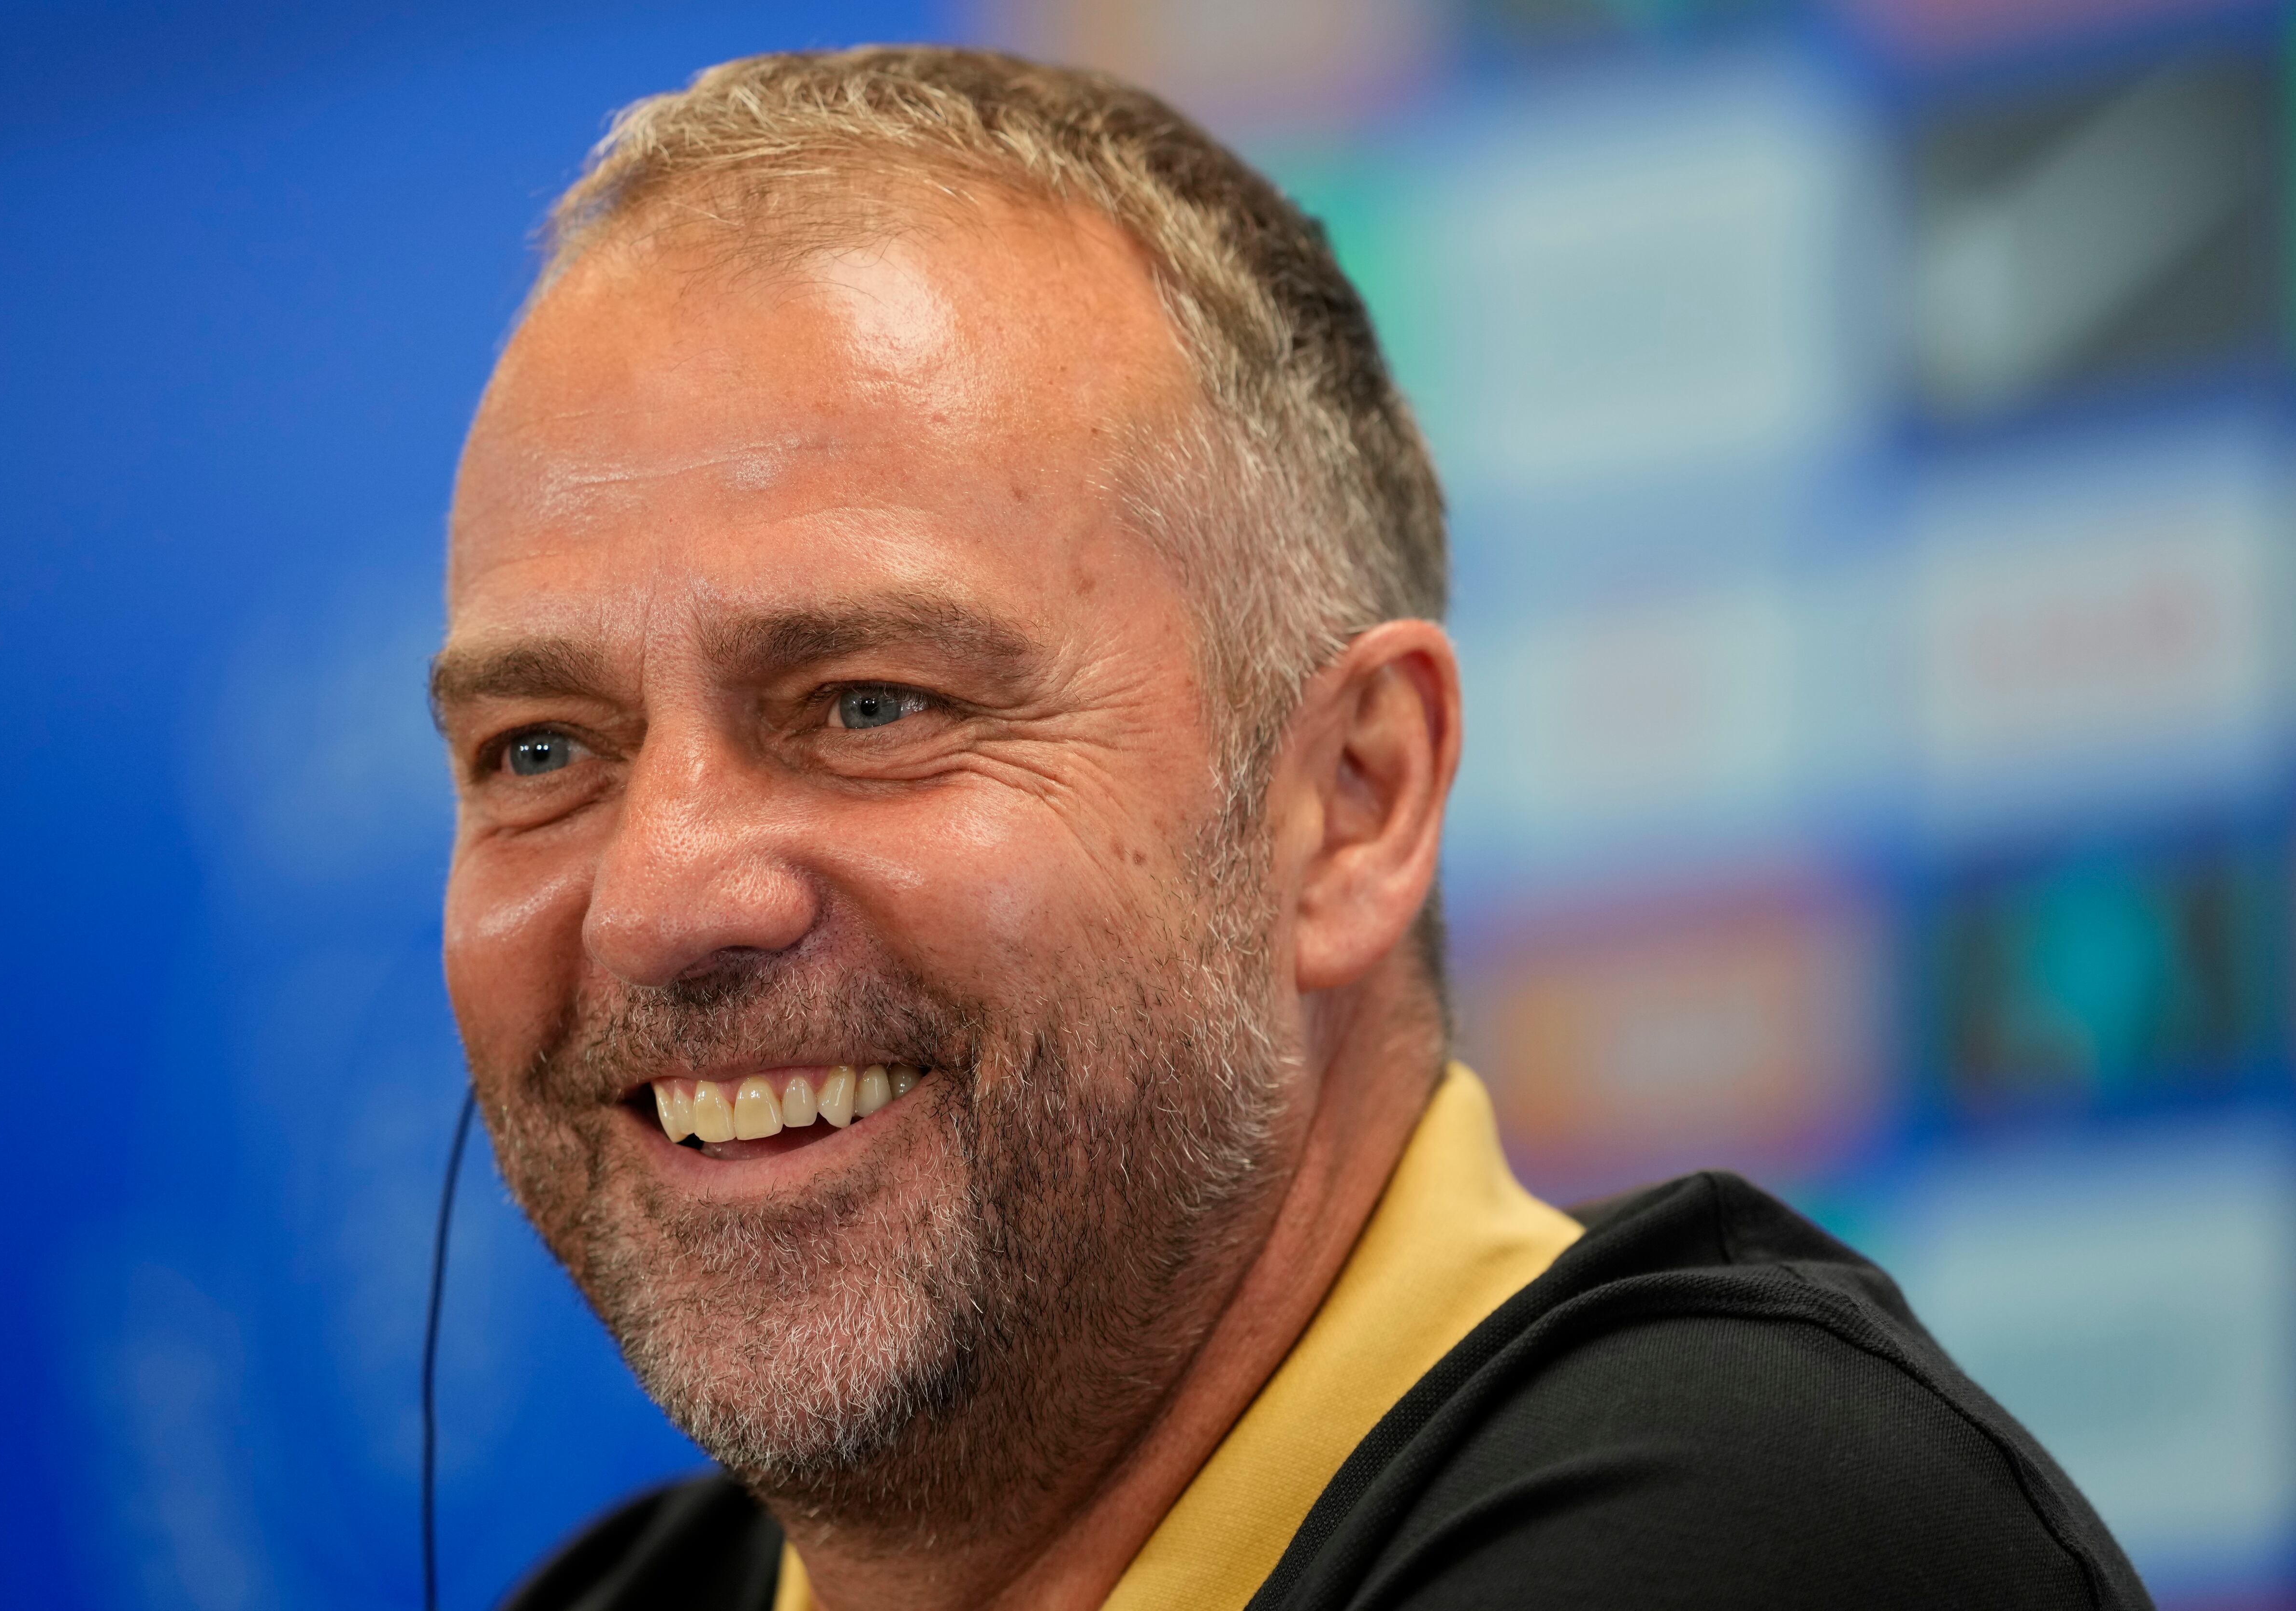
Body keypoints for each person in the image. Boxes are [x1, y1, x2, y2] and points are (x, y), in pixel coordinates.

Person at [431, 44, 2152, 1611]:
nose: (657, 901)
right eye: (538, 750)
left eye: (871, 705)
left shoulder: (1759, 1532)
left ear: (1353, 801)